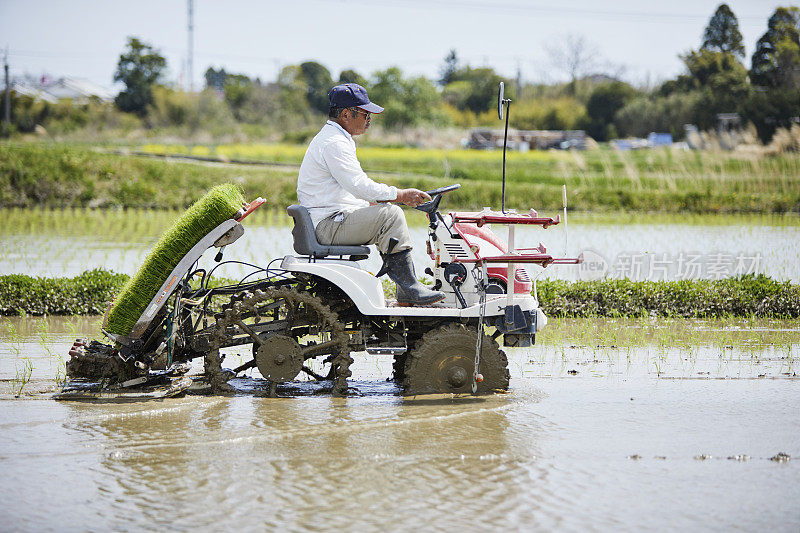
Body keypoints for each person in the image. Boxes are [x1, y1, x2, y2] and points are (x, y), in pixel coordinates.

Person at [296, 83, 444, 306]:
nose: (369, 119)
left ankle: (407, 290)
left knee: (382, 211)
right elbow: (358, 185)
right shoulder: (334, 143)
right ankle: (410, 289)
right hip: (327, 225)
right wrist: (400, 195)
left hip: (329, 219)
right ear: (346, 114)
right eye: (365, 113)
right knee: (391, 215)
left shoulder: (335, 138)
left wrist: (372, 202)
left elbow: (348, 190)